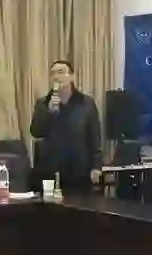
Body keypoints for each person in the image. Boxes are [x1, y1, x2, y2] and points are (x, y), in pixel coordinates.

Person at [30, 60, 102, 194]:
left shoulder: (86, 103)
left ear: (72, 77)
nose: (56, 76)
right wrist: (49, 112)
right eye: (53, 74)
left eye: (61, 72)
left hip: (79, 170)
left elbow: (95, 136)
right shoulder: (43, 103)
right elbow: (36, 132)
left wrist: (96, 166)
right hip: (50, 170)